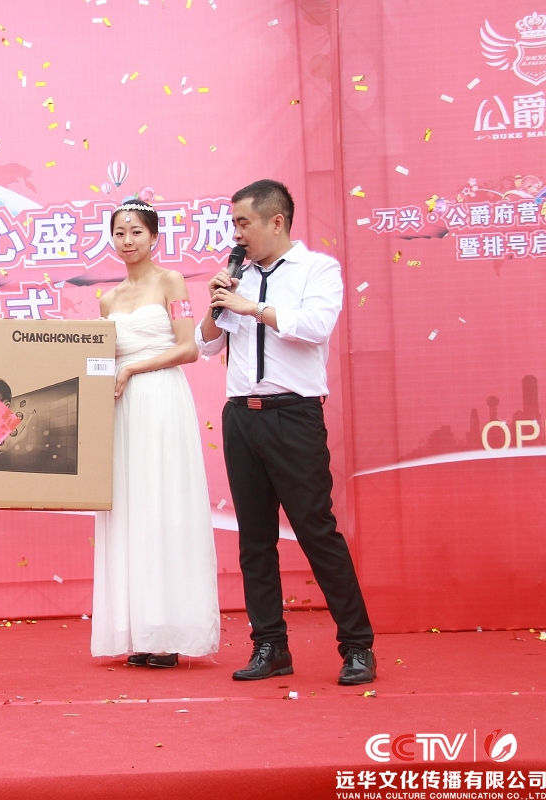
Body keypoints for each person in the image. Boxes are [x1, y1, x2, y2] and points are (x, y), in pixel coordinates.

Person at [198, 179, 375, 686]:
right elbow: (206, 345)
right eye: (233, 224)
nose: (236, 234)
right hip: (241, 417)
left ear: (276, 221)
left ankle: (357, 646)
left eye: (244, 223)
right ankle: (270, 645)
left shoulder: (318, 269)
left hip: (293, 416)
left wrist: (250, 307)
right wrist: (217, 303)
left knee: (316, 531)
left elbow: (315, 327)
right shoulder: (237, 277)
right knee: (255, 540)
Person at [90, 197, 221, 667]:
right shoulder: (107, 299)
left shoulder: (171, 282)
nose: (127, 241)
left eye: (136, 232)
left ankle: (169, 632)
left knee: (164, 507)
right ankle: (140, 631)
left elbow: (188, 349)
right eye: (119, 232)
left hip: (161, 401)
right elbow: (99, 359)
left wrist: (133, 369)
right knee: (130, 509)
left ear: (154, 237)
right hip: (120, 410)